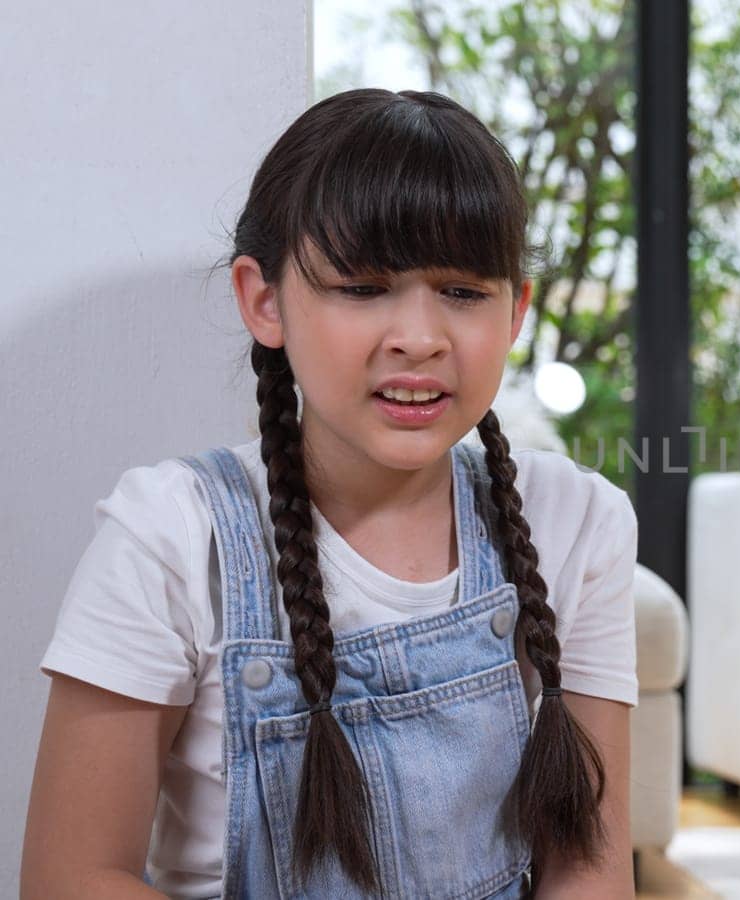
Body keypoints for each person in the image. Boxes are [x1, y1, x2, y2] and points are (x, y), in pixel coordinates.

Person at [21, 89, 638, 897]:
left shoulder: (577, 520)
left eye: (462, 292)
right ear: (264, 300)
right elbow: (70, 877)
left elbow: (587, 869)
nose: (418, 337)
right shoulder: (171, 534)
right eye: (362, 288)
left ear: (516, 310)